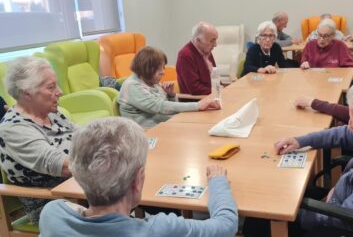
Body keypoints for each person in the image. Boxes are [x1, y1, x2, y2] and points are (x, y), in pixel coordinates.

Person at [39, 117, 239, 237]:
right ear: (137, 180)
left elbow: (76, 210)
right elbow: (226, 225)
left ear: (78, 173)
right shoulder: (160, 229)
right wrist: (218, 182)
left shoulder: (52, 215)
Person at [275, 76, 353, 236]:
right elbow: (343, 133)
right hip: (339, 199)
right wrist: (300, 141)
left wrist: (295, 216)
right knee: (284, 196)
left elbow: (350, 221)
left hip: (340, 225)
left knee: (264, 221)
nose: (349, 127)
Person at [0, 56, 74, 225]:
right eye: (51, 87)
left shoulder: (52, 113)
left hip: (81, 190)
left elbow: (86, 136)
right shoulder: (13, 129)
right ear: (27, 93)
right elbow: (64, 166)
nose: (60, 91)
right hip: (52, 206)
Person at [119, 46, 221, 128]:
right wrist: (197, 105)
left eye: (163, 67)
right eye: (159, 69)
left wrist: (171, 95)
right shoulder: (132, 86)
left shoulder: (151, 81)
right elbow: (161, 107)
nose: (163, 72)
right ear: (146, 68)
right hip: (148, 132)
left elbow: (171, 108)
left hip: (167, 125)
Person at [176, 21, 218, 95]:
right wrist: (217, 91)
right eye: (212, 41)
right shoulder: (185, 55)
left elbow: (215, 77)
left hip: (211, 96)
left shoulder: (206, 51)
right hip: (196, 101)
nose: (215, 45)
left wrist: (221, 88)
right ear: (198, 40)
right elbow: (194, 89)